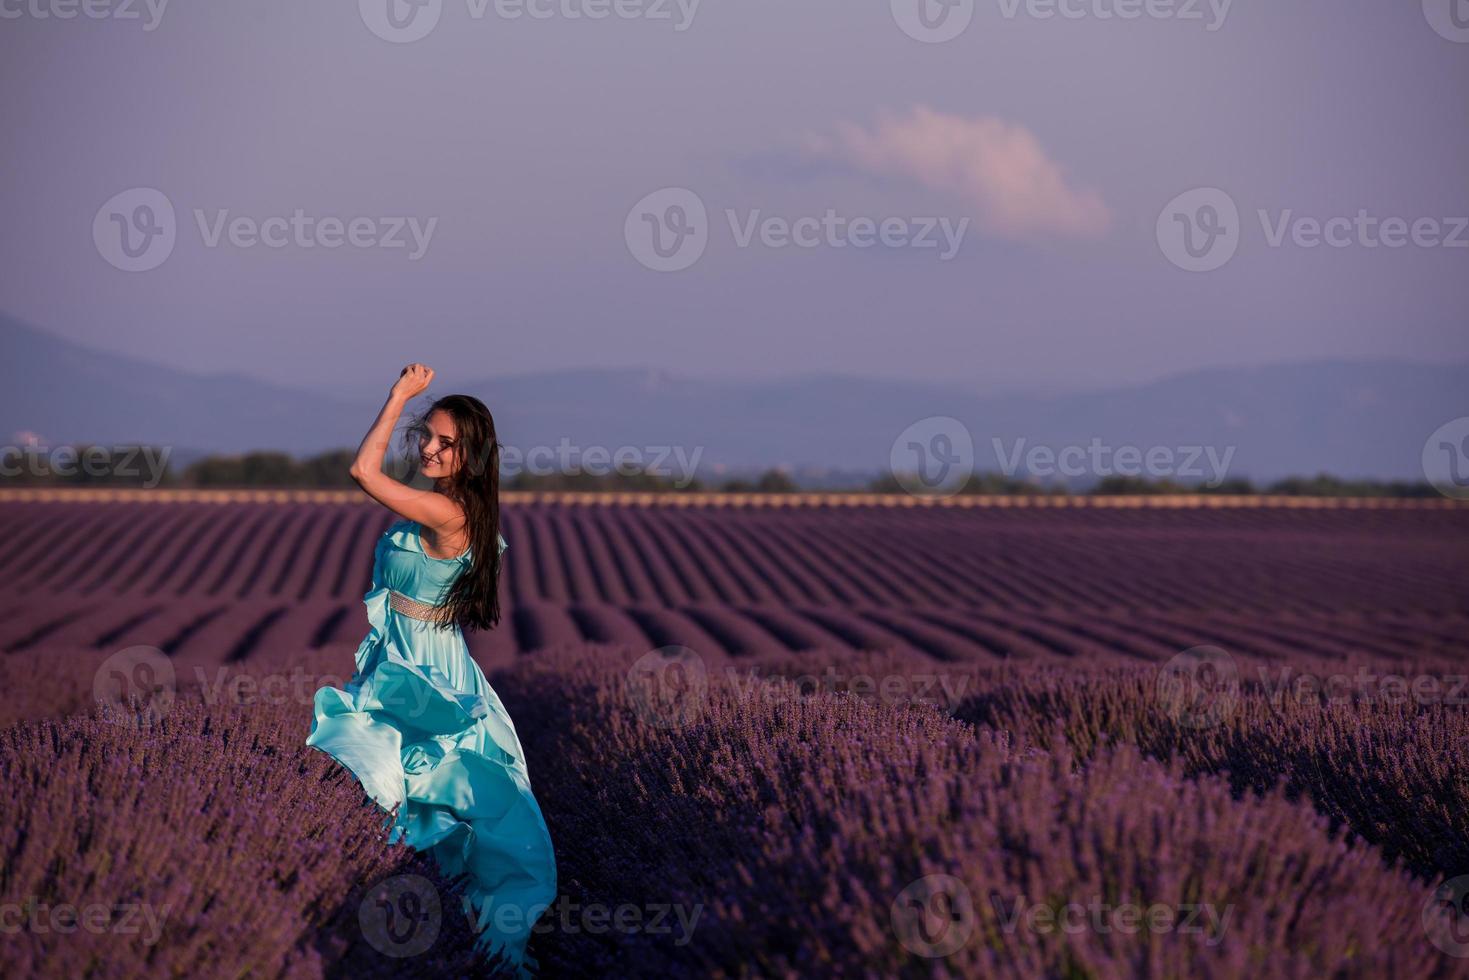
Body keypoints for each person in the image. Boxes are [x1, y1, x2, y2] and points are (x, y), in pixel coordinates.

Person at [306, 363, 555, 975]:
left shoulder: (453, 517)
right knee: (399, 791)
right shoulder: (445, 508)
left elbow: (363, 471)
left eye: (448, 443)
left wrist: (396, 397)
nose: (431, 448)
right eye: (429, 435)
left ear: (471, 456)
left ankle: (418, 936)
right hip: (408, 665)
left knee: (411, 787)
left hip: (426, 678)